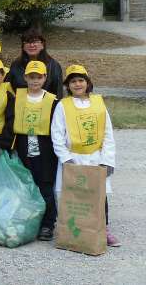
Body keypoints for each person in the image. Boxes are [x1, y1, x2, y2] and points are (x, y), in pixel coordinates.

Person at [51, 64, 120, 247]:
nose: (77, 84)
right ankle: (74, 232)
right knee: (74, 197)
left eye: (81, 80)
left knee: (99, 195)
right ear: (68, 85)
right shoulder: (62, 105)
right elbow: (57, 135)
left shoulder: (98, 103)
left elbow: (107, 133)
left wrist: (107, 160)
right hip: (73, 158)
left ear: (88, 82)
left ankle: (103, 229)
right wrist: (66, 158)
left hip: (95, 158)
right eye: (73, 81)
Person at [13, 61, 59, 241]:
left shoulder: (53, 100)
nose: (34, 80)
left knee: (45, 186)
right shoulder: (17, 97)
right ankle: (29, 221)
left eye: (38, 77)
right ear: (25, 77)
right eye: (31, 77)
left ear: (45, 78)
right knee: (25, 186)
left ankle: (48, 224)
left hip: (45, 151)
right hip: (24, 148)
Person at [7, 28, 64, 97]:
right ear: (23, 46)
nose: (31, 45)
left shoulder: (53, 66)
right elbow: (9, 88)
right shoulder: (16, 65)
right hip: (20, 105)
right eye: (27, 42)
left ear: (42, 45)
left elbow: (58, 94)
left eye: (35, 42)